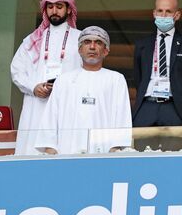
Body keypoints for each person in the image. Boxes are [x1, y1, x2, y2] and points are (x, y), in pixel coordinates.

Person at [35, 26, 132, 155]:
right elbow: (51, 118)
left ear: (106, 51)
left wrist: (115, 150)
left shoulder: (116, 79)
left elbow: (122, 117)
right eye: (87, 42)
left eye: (98, 42)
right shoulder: (63, 80)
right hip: (66, 153)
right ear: (79, 50)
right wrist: (50, 150)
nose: (92, 47)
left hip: (103, 154)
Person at [10, 0, 82, 155]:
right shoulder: (31, 40)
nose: (54, 11)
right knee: (33, 154)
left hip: (68, 105)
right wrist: (34, 87)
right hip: (37, 106)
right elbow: (17, 70)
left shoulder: (81, 38)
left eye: (59, 6)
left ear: (69, 9)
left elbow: (86, 73)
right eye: (50, 7)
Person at [132, 0, 182, 150]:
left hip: (174, 107)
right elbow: (138, 78)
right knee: (141, 160)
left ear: (177, 15)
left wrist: (180, 97)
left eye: (168, 11)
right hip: (146, 106)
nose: (163, 15)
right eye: (160, 11)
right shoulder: (142, 44)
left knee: (173, 160)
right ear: (154, 13)